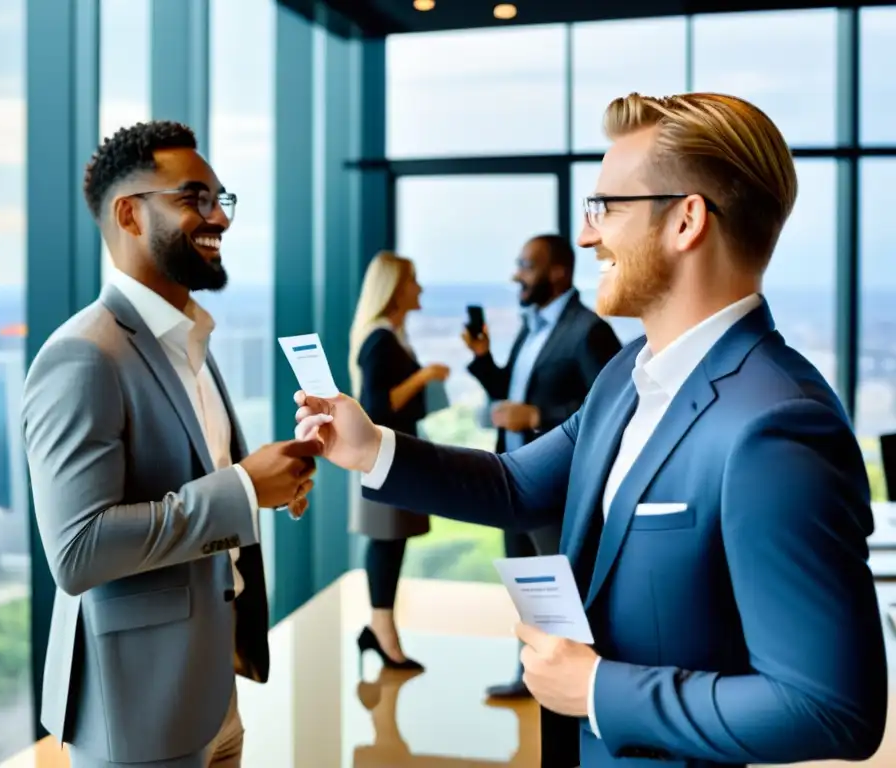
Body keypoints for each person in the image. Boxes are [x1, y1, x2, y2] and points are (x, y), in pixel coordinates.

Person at [294, 92, 888, 768]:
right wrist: (370, 447)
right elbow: (518, 484)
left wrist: (600, 689)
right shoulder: (629, 372)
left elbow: (831, 708)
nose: (586, 234)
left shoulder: (778, 424)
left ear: (687, 219)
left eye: (606, 206)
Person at [23, 120, 320, 768]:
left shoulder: (188, 340)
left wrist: (265, 479)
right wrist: (242, 489)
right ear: (129, 213)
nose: (220, 217)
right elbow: (78, 551)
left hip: (211, 689)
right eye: (195, 198)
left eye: (222, 199)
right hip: (136, 708)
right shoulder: (82, 356)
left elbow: (197, 482)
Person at [464, 234, 620, 699]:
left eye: (526, 265)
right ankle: (531, 677)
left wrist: (537, 418)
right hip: (513, 482)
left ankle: (577, 688)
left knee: (561, 597)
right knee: (527, 589)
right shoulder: (532, 328)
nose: (517, 274)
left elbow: (610, 409)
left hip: (557, 489)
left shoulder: (588, 330)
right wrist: (483, 360)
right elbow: (511, 391)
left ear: (558, 272)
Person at [348, 251, 449, 671]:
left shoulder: (390, 336)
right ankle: (382, 629)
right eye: (413, 280)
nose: (419, 288)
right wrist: (424, 377)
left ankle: (381, 629)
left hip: (392, 456)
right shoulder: (380, 339)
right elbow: (377, 406)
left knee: (392, 541)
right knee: (387, 542)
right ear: (394, 288)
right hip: (384, 458)